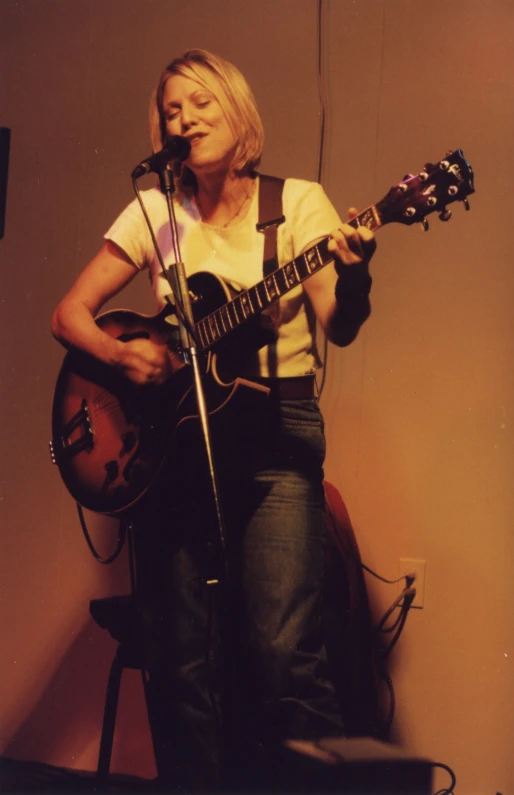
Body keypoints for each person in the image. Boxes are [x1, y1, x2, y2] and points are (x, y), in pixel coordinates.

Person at [52, 49, 376, 791]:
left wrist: (353, 271)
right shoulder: (155, 212)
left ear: (238, 112)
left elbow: (342, 320)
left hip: (275, 445)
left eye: (199, 103)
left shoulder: (297, 205)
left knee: (284, 651)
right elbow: (68, 313)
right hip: (177, 454)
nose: (183, 119)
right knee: (179, 662)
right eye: (170, 110)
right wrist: (121, 356)